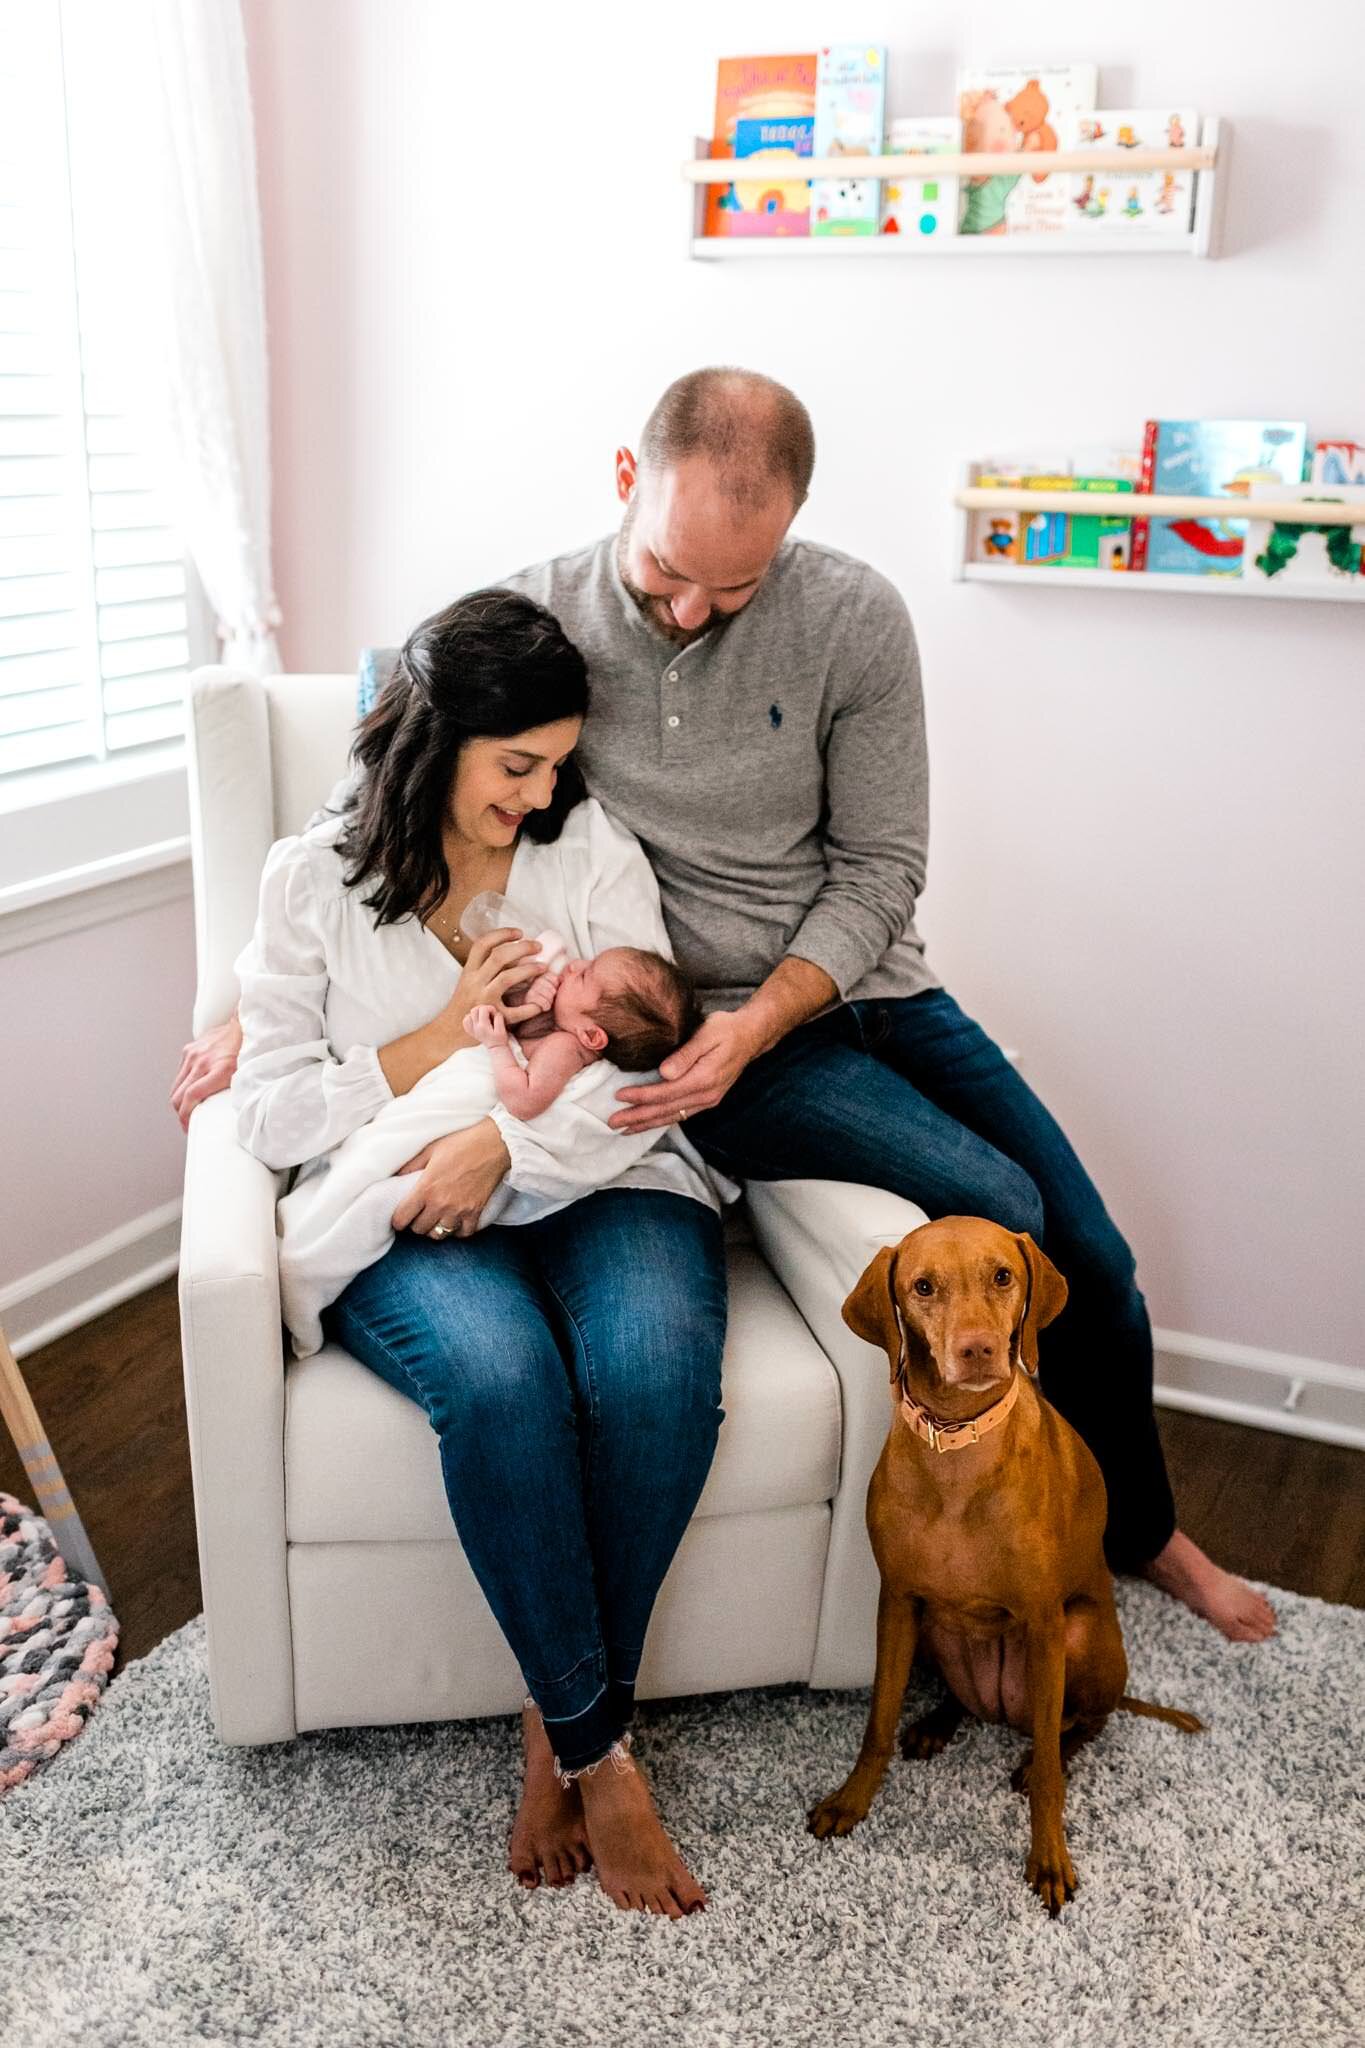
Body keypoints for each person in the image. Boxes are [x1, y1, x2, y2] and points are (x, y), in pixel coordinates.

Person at [174, 372, 1272, 1696]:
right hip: (670, 1031)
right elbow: (397, 745)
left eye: (734, 591)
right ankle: (979, 1551)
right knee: (996, 1202)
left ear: (793, 530)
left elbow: (880, 866)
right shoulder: (539, 613)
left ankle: (1142, 1534)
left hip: (845, 988)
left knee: (1085, 1250)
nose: (691, 613)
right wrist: (242, 1000)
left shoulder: (854, 616)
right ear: (627, 483)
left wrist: (766, 1017)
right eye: (668, 582)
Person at [229, 586, 727, 1918]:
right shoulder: (310, 884)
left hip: (606, 1173)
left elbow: (645, 1068)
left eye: (556, 766)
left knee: (658, 1376)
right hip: (399, 1207)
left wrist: (502, 1149)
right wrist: (441, 1039)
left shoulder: (585, 850)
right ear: (435, 742)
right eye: (517, 766)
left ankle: (552, 1716)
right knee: (505, 1388)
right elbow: (270, 1112)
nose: (538, 793)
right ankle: (600, 1752)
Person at [267, 936, 700, 1359]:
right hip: (461, 1115)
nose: (573, 966)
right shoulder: (564, 1030)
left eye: (583, 976)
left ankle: (316, 1256)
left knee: (378, 1175)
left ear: (592, 1036)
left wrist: (496, 1046)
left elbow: (525, 1100)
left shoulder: (566, 1049)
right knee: (379, 1159)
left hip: (474, 1110)